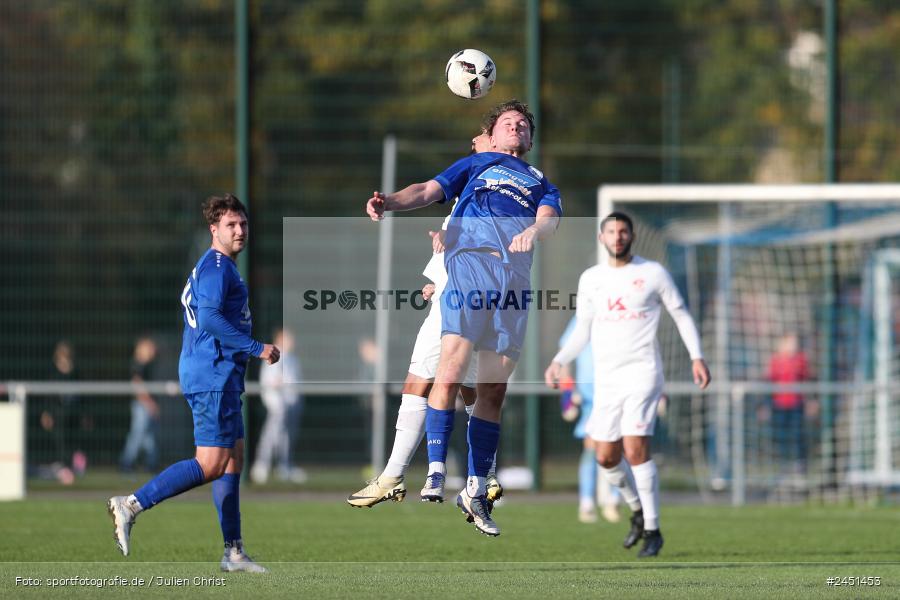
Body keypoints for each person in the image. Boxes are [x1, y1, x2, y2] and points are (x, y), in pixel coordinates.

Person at [366, 100, 562, 536]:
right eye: (508, 122)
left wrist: (532, 230)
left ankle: (475, 489)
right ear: (491, 136)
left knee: (492, 392)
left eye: (524, 124)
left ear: (530, 140)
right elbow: (426, 191)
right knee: (448, 370)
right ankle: (434, 469)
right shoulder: (477, 164)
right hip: (472, 268)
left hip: (514, 282)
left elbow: (549, 221)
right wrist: (389, 201)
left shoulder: (541, 183)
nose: (517, 126)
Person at [107, 194, 280, 572]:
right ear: (213, 229)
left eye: (243, 224)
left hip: (223, 374)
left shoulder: (220, 266)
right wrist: (256, 348)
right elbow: (212, 319)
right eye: (231, 225)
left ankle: (233, 551)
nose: (239, 230)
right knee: (211, 463)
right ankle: (131, 504)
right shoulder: (217, 267)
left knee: (233, 459)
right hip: (212, 373)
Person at [348, 132, 503, 509]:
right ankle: (484, 474)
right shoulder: (468, 195)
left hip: (472, 300)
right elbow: (424, 192)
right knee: (466, 387)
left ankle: (395, 475)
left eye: (484, 134)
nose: (474, 139)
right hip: (457, 297)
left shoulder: (505, 191)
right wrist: (436, 282)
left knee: (425, 382)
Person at [545, 212, 710, 558]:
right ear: (602, 238)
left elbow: (680, 313)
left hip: (643, 374)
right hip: (606, 380)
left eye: (623, 231)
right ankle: (636, 510)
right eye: (611, 232)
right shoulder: (591, 279)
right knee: (606, 457)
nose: (618, 237)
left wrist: (697, 356)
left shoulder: (652, 273)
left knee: (635, 449)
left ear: (631, 236)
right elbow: (583, 330)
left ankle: (653, 529)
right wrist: (559, 361)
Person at [557, 316, 621, 524]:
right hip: (590, 397)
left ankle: (614, 501)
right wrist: (567, 392)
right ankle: (587, 503)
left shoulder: (618, 317)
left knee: (617, 448)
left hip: (615, 392)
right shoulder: (580, 320)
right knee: (591, 448)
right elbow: (565, 356)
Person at [251, 328, 305, 484]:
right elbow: (271, 381)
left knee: (287, 437)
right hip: (278, 405)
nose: (292, 342)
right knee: (271, 436)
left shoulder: (292, 358)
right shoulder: (274, 354)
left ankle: (285, 466)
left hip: (292, 404)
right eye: (289, 338)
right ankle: (261, 466)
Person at [765, 332, 813, 473]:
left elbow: (807, 381)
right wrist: (766, 405)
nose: (793, 346)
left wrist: (811, 401)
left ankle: (800, 464)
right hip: (779, 405)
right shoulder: (776, 360)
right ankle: (782, 463)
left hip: (796, 404)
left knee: (798, 434)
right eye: (790, 342)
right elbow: (769, 382)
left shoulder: (801, 360)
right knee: (781, 435)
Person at [119, 336, 161, 473]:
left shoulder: (148, 364)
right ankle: (126, 463)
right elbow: (138, 386)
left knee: (149, 437)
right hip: (141, 405)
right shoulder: (138, 364)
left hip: (145, 405)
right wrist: (150, 403)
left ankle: (151, 464)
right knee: (137, 435)